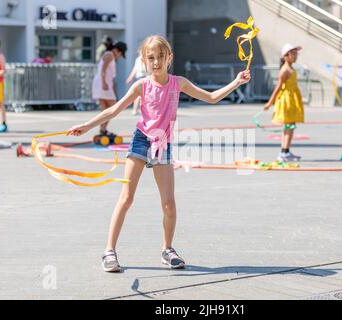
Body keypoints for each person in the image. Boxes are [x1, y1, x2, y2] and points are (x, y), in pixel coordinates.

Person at [67, 35, 250, 272]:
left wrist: (236, 82)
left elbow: (211, 97)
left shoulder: (178, 83)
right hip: (142, 140)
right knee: (126, 198)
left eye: (160, 57)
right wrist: (87, 125)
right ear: (144, 60)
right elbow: (114, 109)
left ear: (169, 58)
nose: (156, 62)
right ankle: (109, 251)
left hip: (163, 144)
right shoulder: (141, 86)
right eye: (151, 58)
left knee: (169, 205)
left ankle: (167, 250)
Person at [264, 43, 304, 162]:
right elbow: (278, 87)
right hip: (287, 101)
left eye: (296, 53)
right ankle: (283, 152)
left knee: (290, 126)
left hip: (292, 100)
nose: (295, 56)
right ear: (285, 56)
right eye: (293, 53)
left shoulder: (291, 68)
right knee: (288, 126)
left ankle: (285, 151)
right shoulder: (285, 70)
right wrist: (270, 103)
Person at [91, 41, 127, 137]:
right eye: (120, 54)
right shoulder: (110, 55)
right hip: (103, 84)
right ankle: (102, 130)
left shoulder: (109, 55)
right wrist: (104, 83)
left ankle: (102, 130)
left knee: (106, 109)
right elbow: (103, 69)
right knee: (112, 108)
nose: (119, 57)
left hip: (103, 84)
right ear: (117, 51)